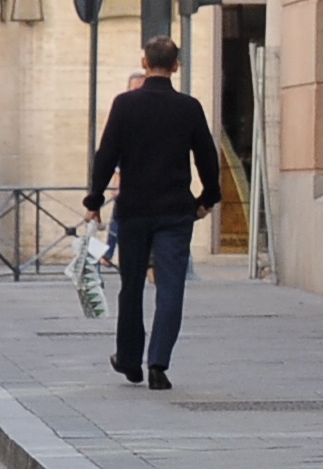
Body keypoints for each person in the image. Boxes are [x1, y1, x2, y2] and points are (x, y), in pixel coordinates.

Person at [82, 36, 225, 389]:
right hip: (176, 211)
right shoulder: (188, 107)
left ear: (144, 63)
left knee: (131, 286)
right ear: (176, 66)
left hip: (134, 210)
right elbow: (207, 157)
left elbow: (106, 154)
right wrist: (208, 197)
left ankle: (129, 358)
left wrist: (94, 200)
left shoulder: (125, 105)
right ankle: (158, 363)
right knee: (170, 286)